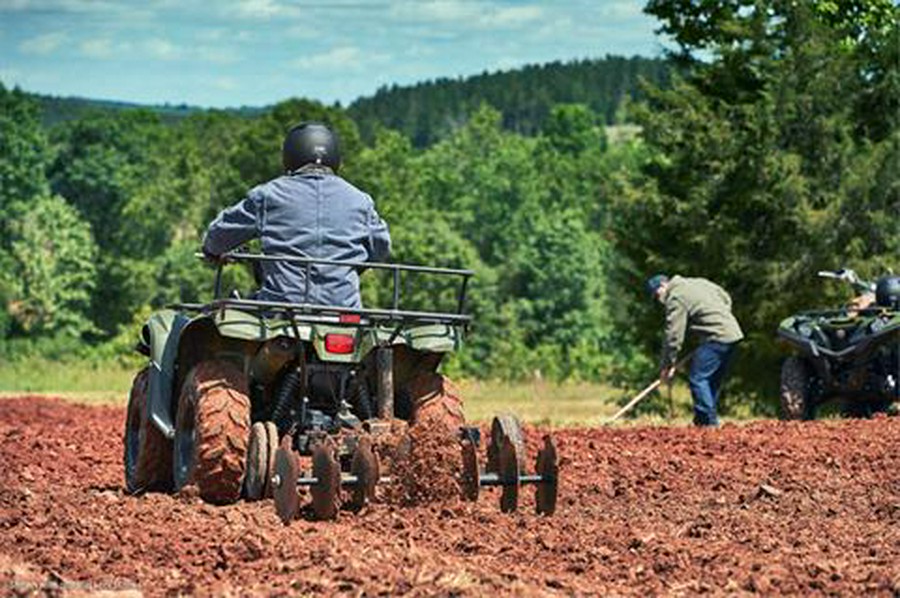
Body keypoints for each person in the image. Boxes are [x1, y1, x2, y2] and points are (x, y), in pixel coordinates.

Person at [202, 122, 391, 308]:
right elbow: (381, 247)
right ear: (335, 158)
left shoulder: (268, 196)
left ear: (290, 156)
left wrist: (212, 251)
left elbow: (218, 238)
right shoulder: (360, 200)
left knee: (224, 313)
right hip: (345, 312)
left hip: (280, 310)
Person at [646, 274, 744, 427]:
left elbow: (673, 335)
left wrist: (667, 365)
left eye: (657, 294)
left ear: (663, 285)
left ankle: (708, 424)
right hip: (733, 333)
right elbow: (725, 297)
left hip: (717, 337)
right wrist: (719, 319)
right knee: (711, 381)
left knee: (698, 379)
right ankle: (702, 421)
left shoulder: (675, 297)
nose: (659, 300)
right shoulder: (697, 282)